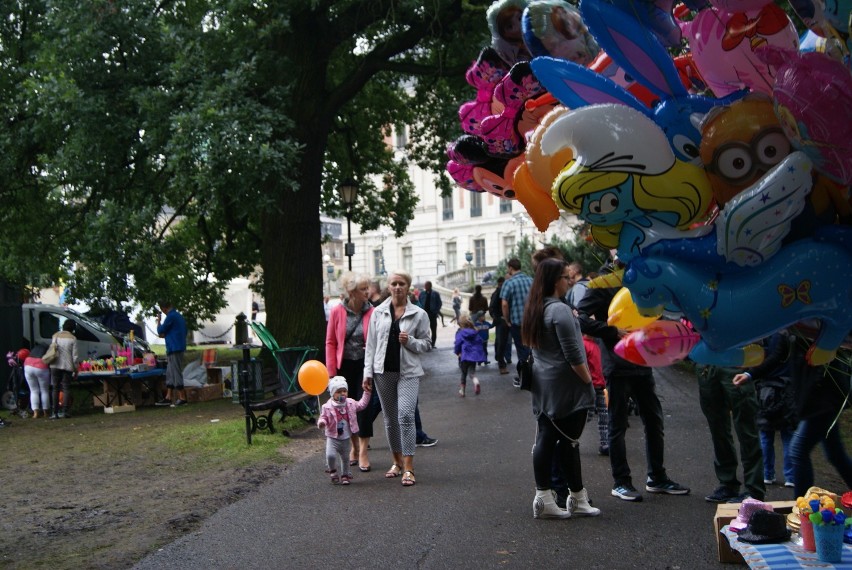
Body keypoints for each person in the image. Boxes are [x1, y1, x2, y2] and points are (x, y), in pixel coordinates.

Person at [575, 253, 689, 502]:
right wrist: (611, 331)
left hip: (643, 360)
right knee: (618, 423)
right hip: (617, 363)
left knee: (654, 419)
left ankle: (657, 478)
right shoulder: (603, 282)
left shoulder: (643, 277)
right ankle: (621, 482)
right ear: (611, 253)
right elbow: (579, 318)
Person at [522, 258, 598, 519]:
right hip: (566, 386)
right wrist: (590, 383)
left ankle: (567, 497)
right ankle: (560, 497)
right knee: (567, 441)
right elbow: (574, 355)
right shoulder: (560, 310)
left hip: (543, 384)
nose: (571, 280)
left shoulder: (535, 308)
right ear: (556, 281)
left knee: (551, 438)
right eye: (567, 277)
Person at [363, 270, 432, 487]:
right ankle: (396, 462)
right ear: (389, 286)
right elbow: (371, 345)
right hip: (382, 371)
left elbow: (427, 344)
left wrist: (410, 341)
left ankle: (409, 466)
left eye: (401, 283)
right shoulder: (378, 312)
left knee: (405, 415)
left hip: (408, 372)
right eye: (394, 283)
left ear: (408, 287)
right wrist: (367, 373)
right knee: (390, 419)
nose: (397, 287)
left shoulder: (419, 314)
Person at [788, 339, 852, 498]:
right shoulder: (795, 331)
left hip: (822, 400)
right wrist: (750, 374)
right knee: (835, 455)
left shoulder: (810, 327)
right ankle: (803, 507)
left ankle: (802, 507)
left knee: (798, 451)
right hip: (820, 400)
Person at [732, 331, 797, 489]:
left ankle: (768, 473)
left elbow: (771, 358)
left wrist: (749, 373)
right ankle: (790, 475)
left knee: (766, 433)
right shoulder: (794, 333)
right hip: (789, 388)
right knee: (787, 433)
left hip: (768, 389)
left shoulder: (771, 334)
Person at [325, 273, 375, 471]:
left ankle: (363, 451)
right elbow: (330, 342)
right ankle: (353, 447)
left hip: (365, 366)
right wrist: (331, 373)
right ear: (351, 292)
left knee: (365, 407)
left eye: (367, 288)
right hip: (343, 367)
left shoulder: (373, 312)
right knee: (346, 409)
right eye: (363, 289)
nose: (367, 292)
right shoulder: (337, 311)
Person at [697, 362, 765, 503]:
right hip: (707, 364)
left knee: (747, 431)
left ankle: (753, 489)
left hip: (735, 361)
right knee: (718, 430)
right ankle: (727, 484)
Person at [316, 376, 373, 485]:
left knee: (345, 458)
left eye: (344, 391)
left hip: (345, 437)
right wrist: (322, 423)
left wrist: (367, 393)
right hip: (332, 437)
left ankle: (345, 475)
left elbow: (362, 405)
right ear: (332, 393)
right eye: (339, 392)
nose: (343, 394)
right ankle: (332, 470)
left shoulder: (350, 403)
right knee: (330, 455)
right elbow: (323, 417)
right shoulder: (327, 407)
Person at [501, 258, 533, 387]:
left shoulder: (509, 283)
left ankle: (525, 377)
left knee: (522, 350)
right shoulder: (531, 280)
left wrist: (507, 319)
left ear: (510, 268)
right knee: (532, 347)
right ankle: (535, 373)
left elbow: (504, 304)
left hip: (517, 322)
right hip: (531, 320)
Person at [155, 301, 188, 407]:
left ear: (164, 309)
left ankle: (182, 397)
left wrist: (158, 321)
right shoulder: (178, 316)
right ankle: (168, 397)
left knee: (175, 372)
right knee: (170, 372)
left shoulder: (171, 316)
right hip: (175, 346)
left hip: (174, 348)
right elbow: (175, 331)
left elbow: (161, 330)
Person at [584, 334, 609, 456]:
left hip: (600, 385)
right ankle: (571, 438)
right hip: (591, 386)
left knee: (604, 414)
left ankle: (605, 442)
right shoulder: (585, 345)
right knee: (587, 415)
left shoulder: (598, 344)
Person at [49, 319, 78, 419]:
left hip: (55, 364)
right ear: (73, 329)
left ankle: (54, 412)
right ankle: (65, 411)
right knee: (66, 388)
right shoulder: (73, 338)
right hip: (67, 365)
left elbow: (52, 349)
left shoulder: (55, 335)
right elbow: (75, 356)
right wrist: (76, 369)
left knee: (55, 388)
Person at [454, 315, 486, 397]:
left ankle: (462, 391)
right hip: (473, 357)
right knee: (472, 373)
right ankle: (476, 382)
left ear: (460, 324)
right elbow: (480, 342)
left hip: (464, 356)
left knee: (463, 374)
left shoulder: (461, 333)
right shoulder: (475, 332)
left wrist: (457, 352)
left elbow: (458, 343)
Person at [489, 276, 512, 374]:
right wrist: (499, 318)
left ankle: (501, 359)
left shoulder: (498, 292)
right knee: (502, 341)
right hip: (503, 320)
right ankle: (502, 360)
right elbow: (492, 308)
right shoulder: (498, 293)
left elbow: (492, 308)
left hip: (503, 320)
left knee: (501, 341)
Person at [22, 347, 50, 419]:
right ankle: (45, 412)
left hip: (28, 366)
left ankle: (35, 413)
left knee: (33, 391)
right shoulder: (47, 351)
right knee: (44, 390)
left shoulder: (31, 353)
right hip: (41, 366)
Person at [418, 281, 442, 349]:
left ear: (430, 286)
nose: (425, 287)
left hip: (432, 314)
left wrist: (435, 311)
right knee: (424, 330)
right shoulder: (422, 294)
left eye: (426, 285)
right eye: (425, 285)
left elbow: (439, 303)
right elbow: (419, 302)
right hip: (424, 315)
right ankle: (426, 343)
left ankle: (432, 344)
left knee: (433, 329)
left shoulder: (435, 294)